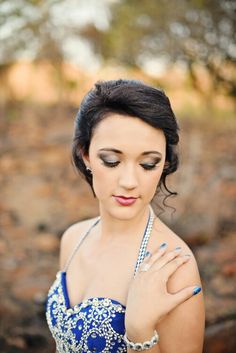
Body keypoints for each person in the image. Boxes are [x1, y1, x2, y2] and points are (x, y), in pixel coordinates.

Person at [45, 79, 205, 353]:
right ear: (86, 155)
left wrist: (140, 331)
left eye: (148, 164)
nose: (130, 181)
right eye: (112, 160)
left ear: (164, 164)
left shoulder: (175, 267)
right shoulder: (73, 239)